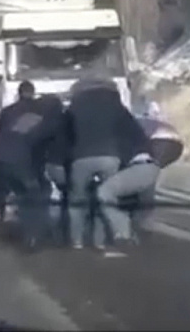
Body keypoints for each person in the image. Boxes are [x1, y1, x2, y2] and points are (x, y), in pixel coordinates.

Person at [0, 81, 52, 250]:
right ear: (33, 93)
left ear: (19, 93)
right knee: (33, 197)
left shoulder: (7, 111)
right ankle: (32, 237)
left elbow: (2, 134)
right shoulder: (41, 113)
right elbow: (40, 144)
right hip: (20, 162)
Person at [65, 77, 127, 250]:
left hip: (82, 156)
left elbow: (65, 133)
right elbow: (127, 129)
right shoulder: (116, 105)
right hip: (110, 156)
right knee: (105, 197)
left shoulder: (75, 106)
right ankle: (100, 241)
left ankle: (76, 240)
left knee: (77, 199)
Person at [95, 111, 156, 256]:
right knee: (139, 203)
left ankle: (123, 236)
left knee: (104, 192)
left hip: (139, 167)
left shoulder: (114, 134)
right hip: (150, 166)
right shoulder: (132, 128)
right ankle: (138, 233)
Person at [38, 94, 71, 244]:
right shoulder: (69, 120)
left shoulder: (42, 123)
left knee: (45, 195)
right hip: (67, 165)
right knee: (70, 196)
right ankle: (68, 230)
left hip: (50, 165)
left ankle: (49, 231)